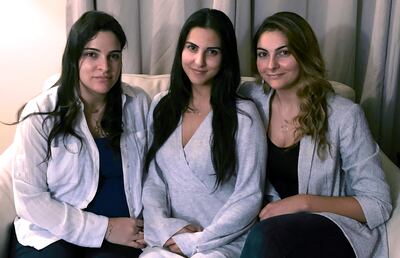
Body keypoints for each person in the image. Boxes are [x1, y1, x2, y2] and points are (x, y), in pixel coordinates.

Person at [238, 11, 392, 258]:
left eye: (284, 52)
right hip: (270, 229)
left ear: (304, 54)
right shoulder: (251, 98)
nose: (271, 65)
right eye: (262, 54)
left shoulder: (345, 115)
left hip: (329, 228)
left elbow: (378, 204)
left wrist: (302, 202)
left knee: (266, 236)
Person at [10, 10, 149, 258]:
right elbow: (29, 199)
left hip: (121, 239)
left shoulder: (138, 104)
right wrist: (105, 228)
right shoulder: (41, 114)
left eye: (113, 56)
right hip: (52, 234)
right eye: (91, 54)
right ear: (74, 58)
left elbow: (157, 174)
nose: (104, 67)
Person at [140, 8, 266, 258]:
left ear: (225, 58)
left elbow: (249, 195)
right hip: (171, 238)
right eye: (192, 48)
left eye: (212, 52)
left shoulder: (244, 115)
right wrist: (167, 230)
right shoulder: (161, 105)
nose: (199, 61)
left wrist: (200, 240)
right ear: (181, 51)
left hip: (222, 242)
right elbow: (153, 180)